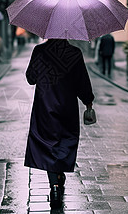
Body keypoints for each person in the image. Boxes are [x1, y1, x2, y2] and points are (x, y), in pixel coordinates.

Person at [24, 39, 94, 209]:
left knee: (48, 144)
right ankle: (58, 178)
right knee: (65, 141)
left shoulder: (40, 50)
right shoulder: (74, 53)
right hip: (67, 106)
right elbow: (82, 82)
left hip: (44, 106)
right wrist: (88, 102)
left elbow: (31, 79)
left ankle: (54, 185)